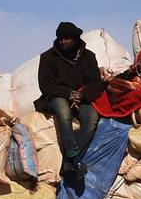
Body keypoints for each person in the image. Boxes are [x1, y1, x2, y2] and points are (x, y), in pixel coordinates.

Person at [34, 21, 105, 174]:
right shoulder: (48, 57)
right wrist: (68, 94)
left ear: (75, 39)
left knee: (92, 118)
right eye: (60, 38)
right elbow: (46, 85)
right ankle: (74, 156)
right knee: (64, 113)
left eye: (67, 38)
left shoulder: (89, 57)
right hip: (57, 97)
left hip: (81, 99)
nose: (63, 42)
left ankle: (69, 159)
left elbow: (96, 83)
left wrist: (81, 95)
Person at [94, 48, 141, 150]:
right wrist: (130, 73)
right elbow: (118, 82)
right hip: (138, 104)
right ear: (138, 61)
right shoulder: (130, 73)